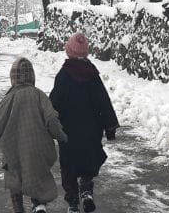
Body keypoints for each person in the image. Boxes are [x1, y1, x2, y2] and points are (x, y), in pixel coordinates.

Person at [0, 57, 67, 213]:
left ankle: (18, 208)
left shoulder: (7, 100)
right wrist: (61, 136)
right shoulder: (39, 95)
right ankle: (39, 205)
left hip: (14, 153)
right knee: (36, 174)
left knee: (14, 176)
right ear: (32, 77)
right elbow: (51, 119)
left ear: (12, 78)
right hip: (40, 151)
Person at [50, 32, 119, 213]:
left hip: (68, 131)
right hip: (91, 129)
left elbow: (54, 102)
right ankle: (86, 190)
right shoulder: (93, 74)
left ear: (69, 51)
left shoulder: (64, 75)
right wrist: (110, 127)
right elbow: (103, 101)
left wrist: (48, 122)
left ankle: (72, 202)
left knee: (69, 166)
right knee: (89, 160)